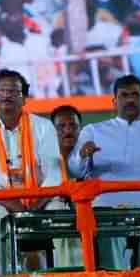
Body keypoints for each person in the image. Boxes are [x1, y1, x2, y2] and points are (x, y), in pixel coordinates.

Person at [0, 69, 62, 271]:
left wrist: (35, 206)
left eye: (13, 91)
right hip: (2, 203)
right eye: (1, 91)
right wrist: (18, 207)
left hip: (43, 200)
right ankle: (14, 268)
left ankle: (63, 272)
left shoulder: (43, 126)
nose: (6, 96)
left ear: (24, 98)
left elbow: (54, 176)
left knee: (59, 211)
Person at [68, 75, 140, 270]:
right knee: (109, 240)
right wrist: (82, 155)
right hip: (107, 210)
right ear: (114, 102)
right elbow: (74, 168)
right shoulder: (94, 131)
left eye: (135, 95)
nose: (130, 100)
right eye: (124, 95)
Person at [48, 105, 84, 268]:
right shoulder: (44, 159)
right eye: (61, 126)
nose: (68, 130)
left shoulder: (91, 154)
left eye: (73, 126)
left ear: (81, 129)